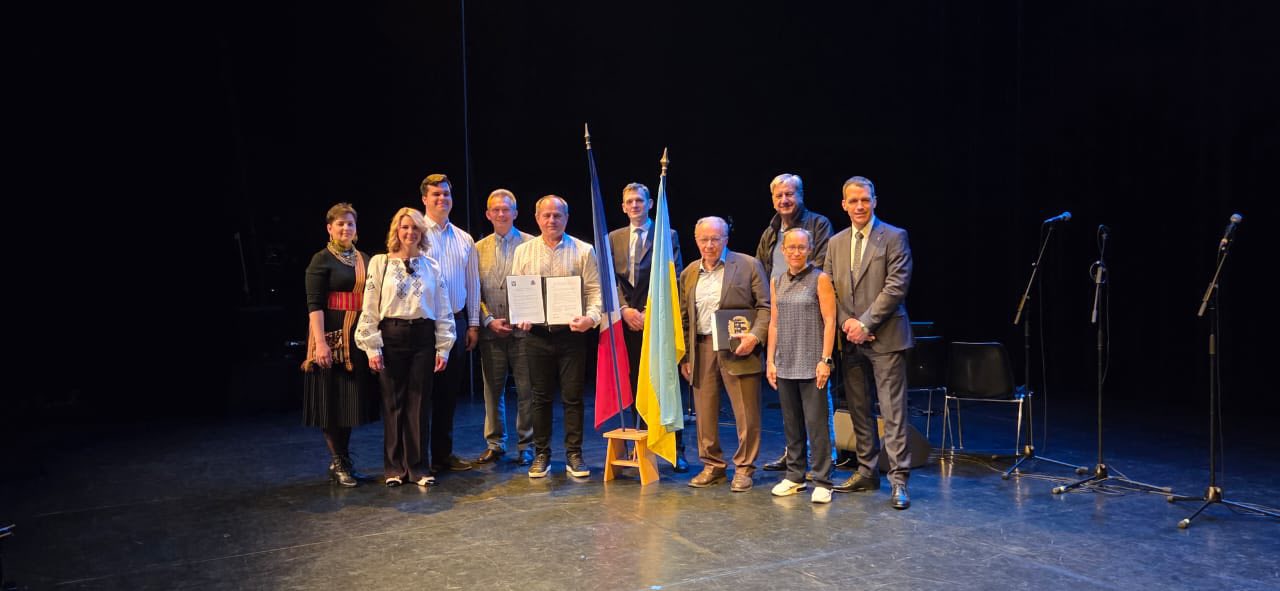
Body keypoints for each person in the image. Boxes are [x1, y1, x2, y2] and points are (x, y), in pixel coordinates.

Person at [824, 176, 915, 510]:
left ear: (875, 201)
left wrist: (865, 323)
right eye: (853, 201)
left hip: (885, 336)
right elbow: (829, 288)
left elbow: (896, 285)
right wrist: (848, 324)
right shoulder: (835, 242)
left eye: (865, 199)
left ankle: (899, 479)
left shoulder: (894, 236)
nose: (860, 206)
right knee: (859, 409)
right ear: (844, 205)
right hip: (850, 340)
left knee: (892, 411)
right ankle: (867, 471)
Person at [355, 208, 456, 487]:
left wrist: (444, 347)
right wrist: (372, 347)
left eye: (415, 228)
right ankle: (394, 468)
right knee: (393, 403)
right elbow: (370, 306)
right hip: (391, 335)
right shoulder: (381, 263)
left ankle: (418, 468)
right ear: (396, 231)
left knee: (419, 404)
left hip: (423, 336)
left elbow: (443, 307)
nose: (410, 232)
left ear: (422, 232)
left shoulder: (431, 265)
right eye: (404, 227)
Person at [511, 196, 603, 479]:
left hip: (571, 336)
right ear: (537, 218)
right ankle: (542, 454)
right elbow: (518, 291)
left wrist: (591, 319)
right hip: (537, 336)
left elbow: (595, 291)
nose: (552, 220)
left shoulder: (584, 250)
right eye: (547, 215)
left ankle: (574, 454)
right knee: (539, 398)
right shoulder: (523, 252)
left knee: (573, 398)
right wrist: (521, 315)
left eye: (557, 215)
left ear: (566, 218)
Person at [678, 217, 770, 491]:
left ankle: (744, 467)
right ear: (696, 241)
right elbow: (684, 317)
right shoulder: (689, 272)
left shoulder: (748, 264)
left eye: (715, 239)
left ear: (726, 239)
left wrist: (755, 337)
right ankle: (713, 465)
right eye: (704, 240)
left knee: (746, 412)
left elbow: (765, 307)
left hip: (739, 347)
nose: (709, 245)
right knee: (705, 411)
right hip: (702, 347)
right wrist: (685, 356)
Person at [756, 173, 835, 473]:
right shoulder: (770, 232)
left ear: (800, 195)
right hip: (783, 310)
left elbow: (824, 266)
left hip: (810, 310)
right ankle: (795, 457)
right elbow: (761, 271)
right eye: (779, 195)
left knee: (817, 401)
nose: (784, 200)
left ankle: (823, 462)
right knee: (790, 406)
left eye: (789, 194)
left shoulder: (818, 224)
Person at [608, 182, 688, 472]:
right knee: (633, 386)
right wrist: (625, 310)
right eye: (629, 201)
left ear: (650, 203)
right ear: (623, 206)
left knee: (666, 384)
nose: (634, 205)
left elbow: (673, 277)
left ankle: (676, 450)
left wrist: (649, 313)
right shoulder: (613, 238)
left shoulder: (667, 234)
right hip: (627, 322)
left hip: (657, 322)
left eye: (639, 201)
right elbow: (610, 279)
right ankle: (639, 446)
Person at [301, 203, 380, 487]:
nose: (346, 228)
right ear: (329, 228)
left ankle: (343, 460)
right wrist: (320, 343)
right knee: (330, 401)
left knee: (348, 402)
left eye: (350, 224)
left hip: (356, 337)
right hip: (331, 335)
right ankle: (339, 461)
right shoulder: (321, 260)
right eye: (340, 224)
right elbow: (315, 305)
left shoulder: (365, 259)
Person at [765, 229, 838, 503]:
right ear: (783, 250)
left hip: (811, 363)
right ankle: (795, 477)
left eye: (801, 247)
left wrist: (825, 360)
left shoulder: (820, 279)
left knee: (817, 425)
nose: (796, 252)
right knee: (792, 424)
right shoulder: (777, 281)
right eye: (791, 247)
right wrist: (770, 360)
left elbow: (830, 321)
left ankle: (823, 480)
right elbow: (774, 323)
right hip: (785, 362)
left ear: (810, 249)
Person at [420, 173, 481, 474]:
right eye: (436, 194)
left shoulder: (464, 239)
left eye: (446, 194)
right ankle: (418, 458)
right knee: (422, 395)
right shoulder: (414, 233)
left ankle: (442, 456)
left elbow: (473, 283)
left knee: (447, 396)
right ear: (424, 199)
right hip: (423, 324)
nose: (442, 199)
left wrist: (473, 324)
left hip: (456, 322)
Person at [473, 189, 536, 466]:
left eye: (506, 209)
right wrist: (487, 319)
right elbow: (473, 290)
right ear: (488, 214)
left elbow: (538, 286)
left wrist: (528, 315)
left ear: (515, 213)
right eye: (496, 209)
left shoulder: (531, 244)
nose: (501, 214)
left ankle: (527, 445)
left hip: (524, 332)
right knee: (492, 390)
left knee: (526, 391)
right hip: (491, 331)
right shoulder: (476, 248)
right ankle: (495, 444)